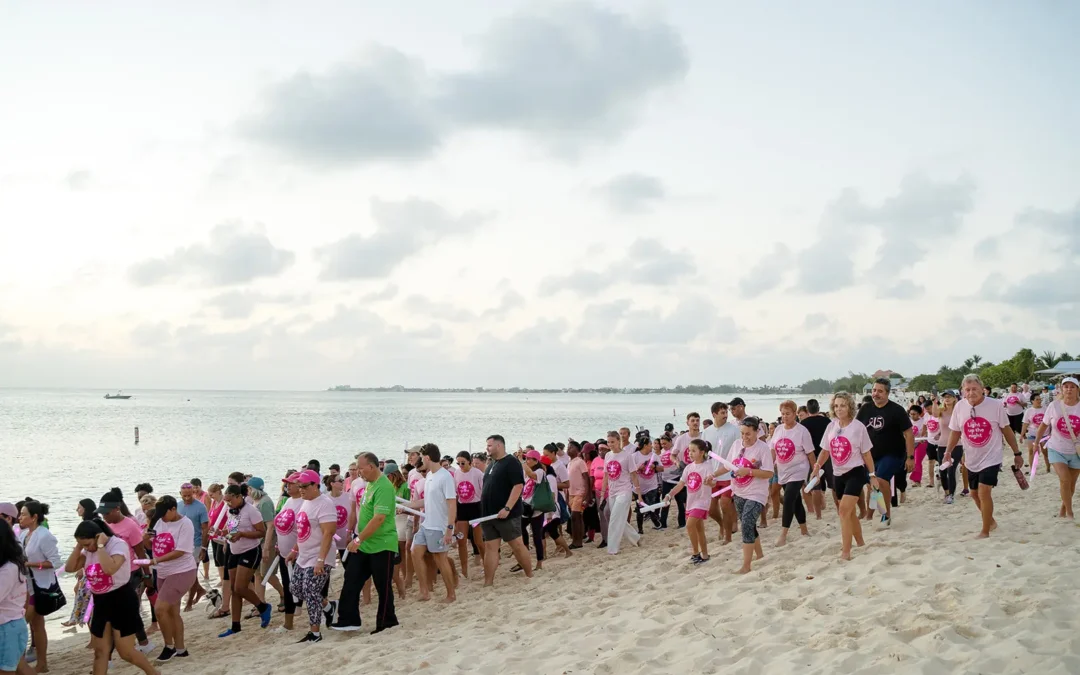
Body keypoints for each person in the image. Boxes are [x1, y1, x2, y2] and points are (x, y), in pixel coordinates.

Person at [63, 519, 159, 675]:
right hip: (100, 601)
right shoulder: (87, 550)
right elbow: (70, 568)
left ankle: (154, 673)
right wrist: (80, 546)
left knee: (126, 652)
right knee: (100, 652)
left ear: (98, 536)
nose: (87, 548)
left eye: (88, 544)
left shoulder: (117, 545)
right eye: (83, 545)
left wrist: (100, 546)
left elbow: (109, 569)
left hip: (121, 599)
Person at [942, 374, 1023, 538]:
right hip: (971, 457)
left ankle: (985, 531)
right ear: (963, 391)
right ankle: (991, 521)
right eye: (967, 390)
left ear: (982, 389)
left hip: (992, 456)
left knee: (984, 492)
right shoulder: (959, 407)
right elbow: (956, 431)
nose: (971, 393)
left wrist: (1017, 453)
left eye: (974, 389)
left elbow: (1006, 430)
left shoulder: (995, 405)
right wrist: (948, 452)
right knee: (973, 493)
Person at [334, 453, 400, 634]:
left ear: (371, 466)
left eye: (361, 468)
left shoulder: (384, 486)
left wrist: (358, 538)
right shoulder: (369, 484)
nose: (359, 472)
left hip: (382, 544)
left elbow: (379, 518)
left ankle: (387, 622)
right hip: (364, 543)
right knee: (352, 578)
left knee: (382, 585)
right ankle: (348, 619)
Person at [812, 392, 876, 560]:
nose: (839, 409)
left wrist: (872, 475)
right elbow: (825, 450)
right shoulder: (831, 426)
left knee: (843, 512)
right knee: (850, 513)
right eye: (836, 406)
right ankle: (861, 542)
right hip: (837, 474)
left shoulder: (858, 427)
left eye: (843, 405)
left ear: (850, 407)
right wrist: (817, 466)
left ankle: (846, 552)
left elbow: (867, 454)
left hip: (855, 472)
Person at [95, 488, 155, 655]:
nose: (104, 517)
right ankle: (136, 643)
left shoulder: (130, 526)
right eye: (102, 514)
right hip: (113, 574)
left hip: (132, 573)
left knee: (129, 610)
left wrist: (148, 576)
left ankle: (142, 643)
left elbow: (141, 553)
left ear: (117, 509)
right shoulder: (105, 525)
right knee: (117, 612)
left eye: (106, 513)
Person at [285, 470, 337, 643]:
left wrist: (320, 560)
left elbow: (329, 533)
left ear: (316, 485)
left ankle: (314, 633)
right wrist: (294, 550)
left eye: (305, 486)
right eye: (299, 486)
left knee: (311, 591)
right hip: (304, 555)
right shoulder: (306, 502)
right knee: (295, 588)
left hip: (319, 555)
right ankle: (329, 607)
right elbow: (302, 530)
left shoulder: (325, 503)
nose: (301, 490)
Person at [855, 378, 914, 526]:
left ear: (887, 393)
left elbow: (909, 434)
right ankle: (870, 514)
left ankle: (886, 515)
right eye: (874, 390)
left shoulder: (897, 410)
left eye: (880, 391)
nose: (876, 394)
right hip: (871, 455)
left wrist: (910, 457)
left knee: (880, 481)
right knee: (872, 485)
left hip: (894, 454)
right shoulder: (865, 409)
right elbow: (856, 430)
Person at [216, 484, 272, 637]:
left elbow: (262, 532)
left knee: (240, 587)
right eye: (226, 500)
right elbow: (232, 528)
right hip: (234, 551)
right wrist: (225, 534)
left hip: (250, 551)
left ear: (238, 496)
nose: (227, 503)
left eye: (229, 500)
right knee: (234, 590)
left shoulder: (251, 511)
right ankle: (235, 626)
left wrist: (242, 534)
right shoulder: (231, 510)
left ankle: (262, 607)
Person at [147, 496, 197, 661]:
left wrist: (157, 560)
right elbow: (151, 545)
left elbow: (181, 550)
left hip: (182, 570)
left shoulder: (185, 524)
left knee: (160, 608)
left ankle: (169, 646)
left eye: (164, 514)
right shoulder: (159, 521)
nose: (162, 517)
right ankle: (181, 649)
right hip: (163, 573)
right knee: (172, 611)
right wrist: (145, 538)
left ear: (174, 509)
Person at [406, 444, 457, 602]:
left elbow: (452, 504)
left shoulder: (445, 476)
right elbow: (425, 501)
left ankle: (451, 594)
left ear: (427, 458)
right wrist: (406, 507)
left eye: (421, 457)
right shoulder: (429, 476)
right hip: (427, 523)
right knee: (415, 551)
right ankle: (424, 592)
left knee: (439, 559)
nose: (420, 461)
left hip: (439, 526)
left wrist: (449, 529)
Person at [479, 435, 533, 585]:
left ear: (499, 446)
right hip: (489, 515)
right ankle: (488, 582)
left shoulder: (511, 462)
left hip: (507, 514)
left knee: (516, 545)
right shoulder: (491, 464)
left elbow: (518, 486)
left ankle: (529, 575)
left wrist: (507, 508)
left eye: (489, 445)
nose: (487, 448)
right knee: (490, 547)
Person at [17, 501, 61, 673]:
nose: (19, 517)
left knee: (20, 625)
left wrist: (31, 564)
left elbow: (55, 562)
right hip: (27, 586)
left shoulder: (44, 535)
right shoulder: (23, 534)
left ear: (34, 517)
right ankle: (42, 664)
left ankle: (20, 664)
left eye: (23, 514)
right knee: (37, 625)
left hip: (41, 586)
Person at [730, 417, 774, 573]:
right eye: (742, 433)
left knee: (747, 523)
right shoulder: (736, 445)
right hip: (738, 491)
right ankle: (760, 554)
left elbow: (769, 473)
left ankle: (746, 565)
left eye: (748, 434)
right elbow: (728, 465)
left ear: (757, 432)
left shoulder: (763, 448)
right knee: (748, 524)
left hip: (757, 493)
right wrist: (712, 476)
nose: (744, 437)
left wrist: (749, 471)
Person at [662, 439, 716, 564]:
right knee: (699, 530)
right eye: (689, 451)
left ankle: (695, 553)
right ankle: (705, 555)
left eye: (693, 451)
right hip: (691, 501)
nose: (690, 453)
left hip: (702, 501)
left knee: (689, 525)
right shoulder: (688, 468)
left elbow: (713, 483)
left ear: (702, 452)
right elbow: (681, 484)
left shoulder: (707, 466)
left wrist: (710, 482)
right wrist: (669, 495)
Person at [770, 401, 816, 547]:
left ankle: (783, 535)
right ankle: (804, 530)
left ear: (795, 413)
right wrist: (770, 465)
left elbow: (810, 453)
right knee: (795, 502)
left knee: (789, 498)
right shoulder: (778, 430)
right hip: (782, 470)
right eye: (782, 414)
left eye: (788, 414)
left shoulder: (802, 431)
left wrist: (814, 471)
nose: (785, 417)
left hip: (799, 470)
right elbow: (773, 450)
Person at [1037, 376, 1080, 519]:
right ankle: (1070, 513)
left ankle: (1063, 509)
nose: (1069, 389)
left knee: (1072, 485)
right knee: (1065, 479)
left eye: (1072, 386)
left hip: (1076, 451)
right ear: (1062, 389)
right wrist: (1037, 441)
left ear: (1077, 389)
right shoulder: (1054, 406)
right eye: (1066, 386)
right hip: (1056, 448)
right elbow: (1044, 425)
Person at [600, 430, 643, 555]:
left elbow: (634, 475)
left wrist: (639, 494)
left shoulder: (627, 456)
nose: (611, 444)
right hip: (612, 491)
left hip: (624, 491)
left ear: (618, 441)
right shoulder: (608, 456)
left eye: (613, 442)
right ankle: (635, 537)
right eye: (608, 442)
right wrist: (603, 493)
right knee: (620, 519)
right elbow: (606, 476)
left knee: (614, 519)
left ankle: (612, 549)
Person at [702, 402, 740, 543]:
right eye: (722, 413)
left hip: (728, 474)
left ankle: (728, 537)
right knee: (711, 509)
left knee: (725, 504)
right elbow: (704, 454)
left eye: (726, 412)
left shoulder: (734, 430)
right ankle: (722, 526)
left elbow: (739, 449)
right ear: (714, 414)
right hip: (712, 474)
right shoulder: (707, 432)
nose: (725, 415)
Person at [0, 518, 34, 675]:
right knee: (21, 668)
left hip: (8, 628)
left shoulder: (8, 569)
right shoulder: (11, 563)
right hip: (12, 624)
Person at [272, 475, 302, 632]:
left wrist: (295, 549)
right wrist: (278, 542)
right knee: (288, 587)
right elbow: (280, 523)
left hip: (300, 554)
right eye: (286, 484)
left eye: (291, 484)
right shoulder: (288, 501)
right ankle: (288, 623)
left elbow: (305, 530)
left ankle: (325, 612)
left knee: (304, 588)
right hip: (284, 553)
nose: (287, 487)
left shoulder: (304, 503)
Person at [63, 499, 99, 629]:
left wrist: (82, 568)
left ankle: (78, 618)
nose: (77, 510)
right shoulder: (87, 524)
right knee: (81, 592)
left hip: (93, 569)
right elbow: (69, 567)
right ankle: (77, 618)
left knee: (86, 596)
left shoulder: (91, 525)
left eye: (79, 508)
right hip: (88, 566)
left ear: (86, 509)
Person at [175, 484, 208, 611]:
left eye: (190, 495)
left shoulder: (200, 507)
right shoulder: (178, 506)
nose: (187, 498)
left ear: (193, 493)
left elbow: (205, 528)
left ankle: (189, 603)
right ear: (180, 494)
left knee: (191, 574)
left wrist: (204, 548)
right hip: (181, 545)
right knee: (185, 573)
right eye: (185, 496)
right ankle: (199, 590)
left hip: (196, 544)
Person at [453, 451, 485, 577]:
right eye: (458, 463)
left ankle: (485, 564)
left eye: (463, 462)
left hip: (476, 508)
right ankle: (464, 570)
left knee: (478, 541)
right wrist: (454, 514)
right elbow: (455, 494)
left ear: (469, 462)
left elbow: (484, 493)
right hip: (462, 508)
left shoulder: (477, 473)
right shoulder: (456, 473)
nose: (460, 465)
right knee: (461, 540)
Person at [800, 399, 833, 518]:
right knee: (833, 485)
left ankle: (818, 515)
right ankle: (839, 509)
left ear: (807, 410)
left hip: (811, 457)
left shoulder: (803, 424)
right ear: (818, 408)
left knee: (815, 487)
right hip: (827, 455)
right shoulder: (827, 421)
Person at [566, 444, 591, 547]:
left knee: (575, 516)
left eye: (571, 447)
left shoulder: (580, 462)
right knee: (577, 517)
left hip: (580, 492)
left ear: (578, 451)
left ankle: (577, 541)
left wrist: (587, 494)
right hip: (571, 493)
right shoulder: (569, 463)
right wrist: (567, 495)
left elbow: (586, 478)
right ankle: (577, 539)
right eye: (568, 447)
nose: (569, 449)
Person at [1021, 392, 1049, 472]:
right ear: (1032, 401)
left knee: (1045, 452)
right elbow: (1025, 423)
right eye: (1037, 399)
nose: (1039, 401)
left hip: (1044, 434)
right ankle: (1032, 469)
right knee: (1031, 451)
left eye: (1040, 399)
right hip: (1032, 434)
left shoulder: (1045, 409)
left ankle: (1048, 467)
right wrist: (1022, 434)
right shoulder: (1029, 411)